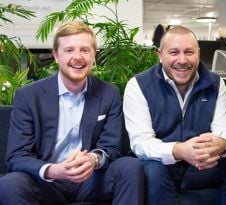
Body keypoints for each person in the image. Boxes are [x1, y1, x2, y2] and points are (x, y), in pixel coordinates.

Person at [0, 21, 144, 205]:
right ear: (55, 55)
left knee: (129, 167)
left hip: (91, 179)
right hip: (47, 181)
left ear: (94, 55)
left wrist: (93, 159)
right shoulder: (28, 96)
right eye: (69, 50)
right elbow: (16, 156)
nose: (78, 57)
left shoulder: (109, 93)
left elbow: (112, 148)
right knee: (10, 184)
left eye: (85, 50)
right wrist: (54, 170)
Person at [123, 26, 226, 205]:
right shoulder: (138, 86)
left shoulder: (215, 83)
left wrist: (220, 145)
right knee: (152, 169)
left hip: (203, 165)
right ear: (160, 55)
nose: (182, 60)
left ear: (198, 54)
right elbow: (141, 142)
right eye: (174, 52)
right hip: (161, 166)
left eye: (189, 52)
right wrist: (180, 150)